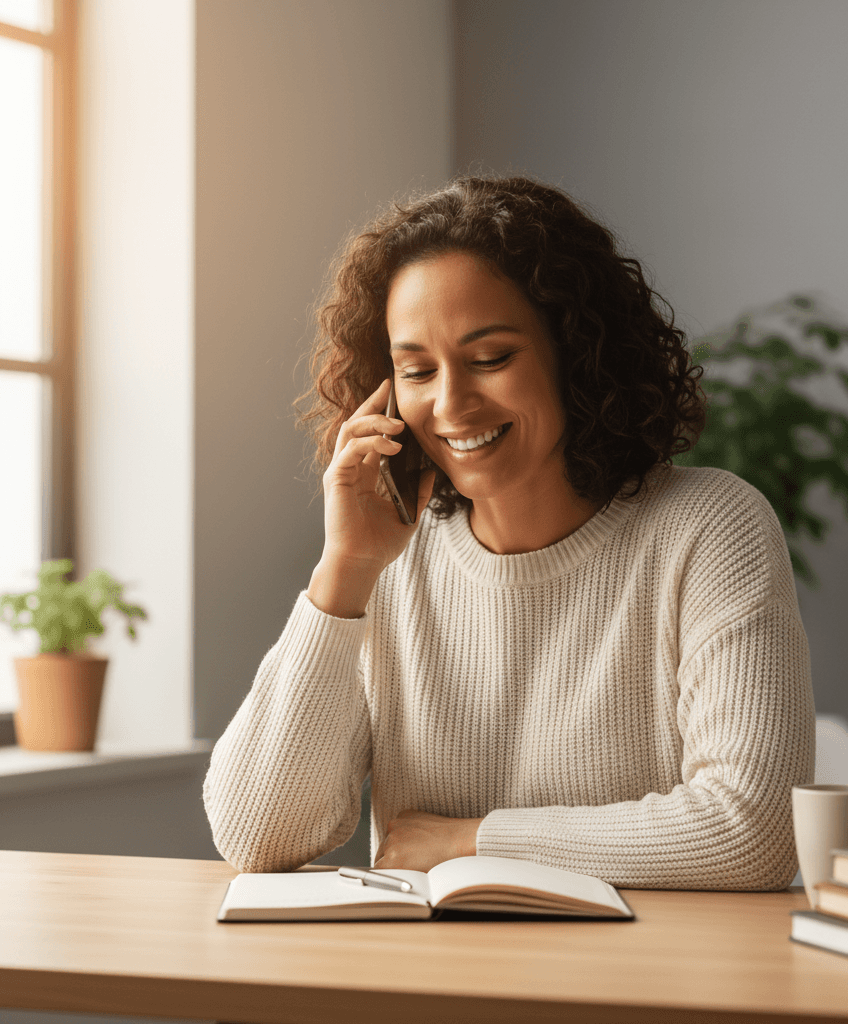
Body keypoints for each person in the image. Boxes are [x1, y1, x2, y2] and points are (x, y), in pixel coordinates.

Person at [204, 176, 815, 889]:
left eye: (490, 359)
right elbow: (255, 834)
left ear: (576, 351)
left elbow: (754, 832)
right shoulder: (389, 561)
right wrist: (344, 571)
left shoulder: (710, 527)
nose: (451, 404)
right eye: (416, 370)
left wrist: (471, 842)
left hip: (641, 962)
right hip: (427, 962)